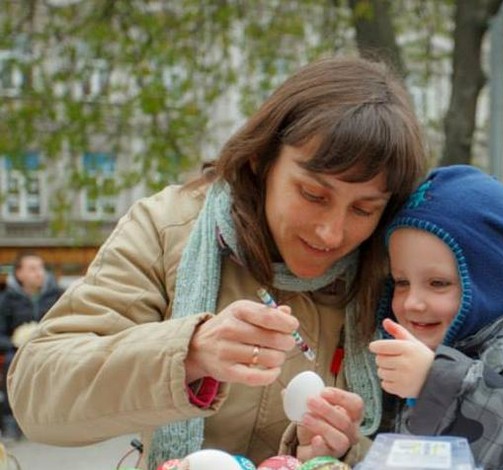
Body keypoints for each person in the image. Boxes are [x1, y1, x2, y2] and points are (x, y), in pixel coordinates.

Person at [7, 56, 427, 469]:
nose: (331, 233)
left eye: (364, 210)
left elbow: (431, 440)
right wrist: (189, 352)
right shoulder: (168, 227)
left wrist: (342, 451)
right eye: (313, 195)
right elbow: (37, 394)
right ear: (261, 161)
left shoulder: (398, 269)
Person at [288, 166, 503, 468]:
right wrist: (342, 450)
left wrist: (437, 383)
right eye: (401, 282)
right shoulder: (405, 352)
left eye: (438, 283)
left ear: (487, 284)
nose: (412, 302)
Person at [0, 251, 64, 439]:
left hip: (52, 347)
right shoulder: (6, 300)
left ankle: (60, 418)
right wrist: (13, 343)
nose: (39, 273)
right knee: (11, 362)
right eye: (32, 269)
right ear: (19, 274)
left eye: (41, 268)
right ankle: (11, 420)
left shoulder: (58, 296)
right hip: (17, 351)